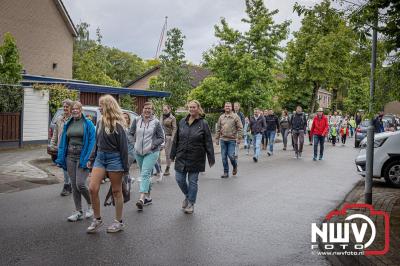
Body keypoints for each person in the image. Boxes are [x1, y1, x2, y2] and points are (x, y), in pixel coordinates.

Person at [86, 95, 129, 233]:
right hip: (100, 157)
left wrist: (125, 168)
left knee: (117, 191)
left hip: (115, 158)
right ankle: (97, 219)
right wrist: (91, 159)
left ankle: (119, 222)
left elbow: (124, 148)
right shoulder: (99, 122)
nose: (99, 108)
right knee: (92, 188)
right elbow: (96, 143)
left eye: (101, 105)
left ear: (108, 106)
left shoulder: (119, 125)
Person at [170, 100, 215, 214]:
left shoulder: (203, 123)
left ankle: (191, 203)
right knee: (179, 179)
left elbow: (208, 141)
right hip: (181, 155)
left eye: (194, 107)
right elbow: (176, 140)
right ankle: (188, 195)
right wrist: (172, 154)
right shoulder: (182, 122)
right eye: (190, 107)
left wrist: (211, 158)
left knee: (193, 181)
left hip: (196, 157)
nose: (191, 109)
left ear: (198, 108)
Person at [55, 101, 95, 222]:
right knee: (73, 185)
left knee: (80, 184)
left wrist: (89, 158)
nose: (75, 111)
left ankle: (91, 205)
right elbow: (63, 141)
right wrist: (61, 156)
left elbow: (92, 142)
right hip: (70, 156)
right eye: (73, 109)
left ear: (81, 110)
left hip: (83, 156)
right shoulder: (68, 123)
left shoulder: (88, 124)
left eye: (77, 109)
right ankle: (78, 211)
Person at [129, 102, 164, 211]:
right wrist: (133, 143)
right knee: (146, 174)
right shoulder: (136, 120)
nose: (147, 110)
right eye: (145, 108)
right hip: (138, 152)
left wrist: (153, 145)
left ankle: (141, 198)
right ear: (142, 109)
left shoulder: (156, 122)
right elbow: (130, 133)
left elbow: (161, 138)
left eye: (150, 109)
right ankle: (148, 197)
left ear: (152, 110)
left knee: (144, 174)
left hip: (151, 152)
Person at [50, 99, 73, 196]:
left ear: (71, 107)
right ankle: (69, 185)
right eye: (64, 106)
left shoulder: (73, 119)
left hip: (71, 146)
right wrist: (52, 144)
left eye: (67, 106)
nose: (65, 108)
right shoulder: (59, 118)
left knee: (68, 167)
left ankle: (68, 185)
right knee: (64, 166)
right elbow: (55, 133)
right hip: (61, 146)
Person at [216, 102, 243, 178]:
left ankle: (235, 166)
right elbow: (218, 128)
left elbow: (240, 128)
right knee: (223, 157)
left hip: (232, 140)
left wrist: (239, 138)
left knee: (231, 156)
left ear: (231, 107)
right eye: (226, 106)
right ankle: (226, 172)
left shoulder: (235, 117)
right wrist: (217, 138)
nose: (227, 107)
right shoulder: (221, 117)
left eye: (229, 106)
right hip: (223, 140)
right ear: (224, 107)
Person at [160, 105, 176, 176]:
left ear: (169, 110)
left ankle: (167, 168)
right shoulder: (161, 116)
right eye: (163, 110)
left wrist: (172, 138)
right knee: (157, 153)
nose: (164, 111)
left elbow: (175, 128)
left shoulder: (172, 118)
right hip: (160, 137)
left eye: (166, 110)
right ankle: (158, 169)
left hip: (168, 137)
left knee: (167, 153)